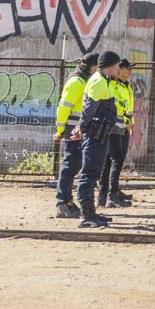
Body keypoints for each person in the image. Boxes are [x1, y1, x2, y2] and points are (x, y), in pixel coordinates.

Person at [77, 51, 124, 229]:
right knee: (89, 174)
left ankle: (91, 213)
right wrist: (81, 129)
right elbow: (89, 110)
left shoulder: (105, 81)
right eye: (118, 65)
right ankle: (86, 215)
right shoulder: (98, 82)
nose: (119, 69)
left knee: (93, 173)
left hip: (100, 133)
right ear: (111, 66)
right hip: (95, 134)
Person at [53, 52, 98, 219]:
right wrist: (59, 131)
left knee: (74, 166)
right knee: (69, 166)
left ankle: (67, 200)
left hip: (78, 129)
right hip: (73, 130)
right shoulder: (77, 82)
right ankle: (62, 202)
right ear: (92, 67)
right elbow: (63, 107)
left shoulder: (84, 81)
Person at [98, 58, 135, 209]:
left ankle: (110, 193)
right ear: (119, 69)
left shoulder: (126, 85)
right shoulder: (114, 85)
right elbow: (118, 105)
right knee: (114, 160)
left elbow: (128, 106)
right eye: (127, 68)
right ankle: (110, 195)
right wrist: (127, 120)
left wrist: (129, 121)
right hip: (115, 127)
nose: (130, 72)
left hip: (123, 126)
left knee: (113, 160)